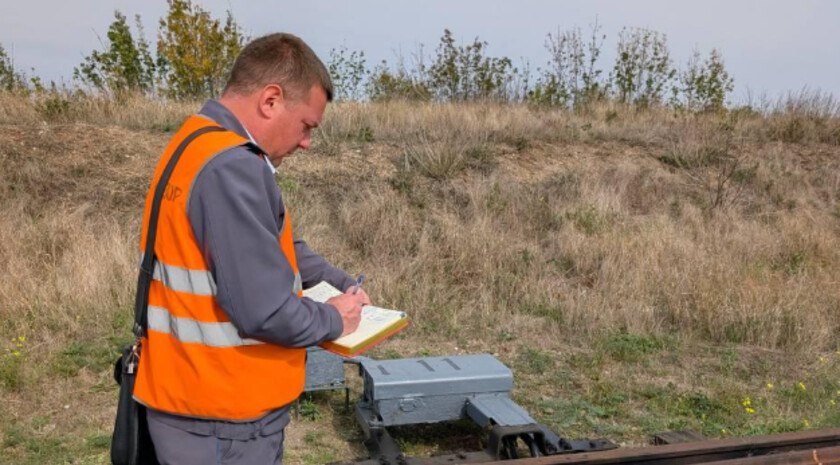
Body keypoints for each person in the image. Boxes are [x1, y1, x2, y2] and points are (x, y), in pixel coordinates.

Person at [132, 33, 369, 465]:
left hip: (193, 402)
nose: (306, 142)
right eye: (306, 125)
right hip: (223, 419)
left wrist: (337, 281)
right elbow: (265, 312)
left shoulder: (196, 143)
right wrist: (336, 318)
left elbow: (272, 243)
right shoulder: (233, 167)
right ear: (271, 100)